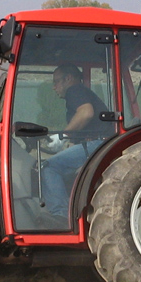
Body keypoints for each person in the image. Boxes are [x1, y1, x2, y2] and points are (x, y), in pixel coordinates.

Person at [40, 64, 113, 220]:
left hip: (96, 144)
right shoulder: (83, 92)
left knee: (49, 167)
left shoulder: (75, 90)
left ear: (68, 79)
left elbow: (86, 113)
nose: (54, 87)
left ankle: (61, 217)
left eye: (56, 82)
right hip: (99, 144)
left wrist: (63, 135)